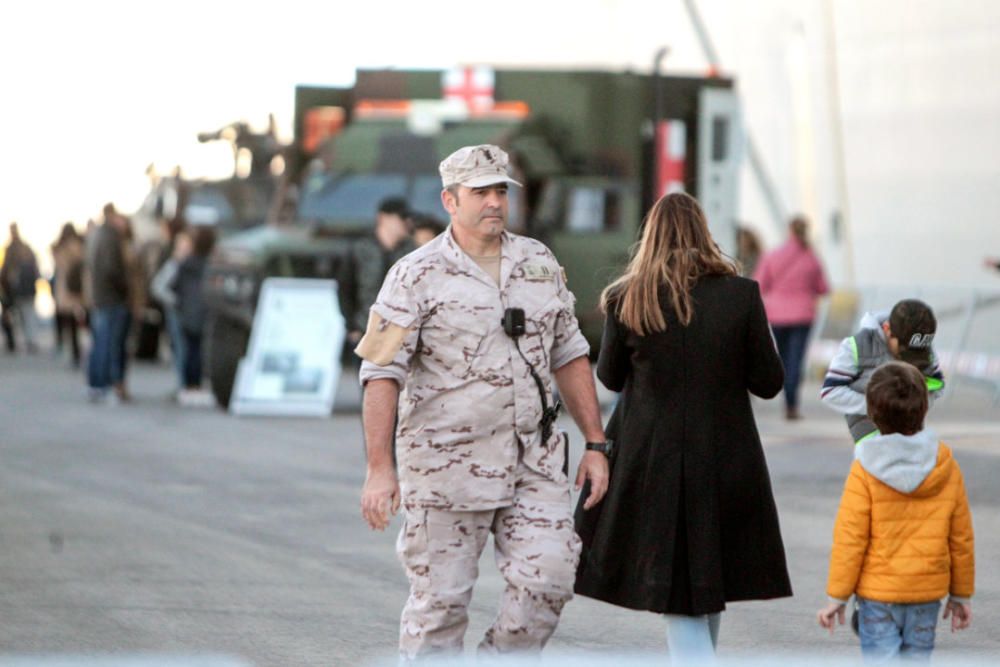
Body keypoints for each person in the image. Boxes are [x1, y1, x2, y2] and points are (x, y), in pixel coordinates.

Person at [355, 144, 610, 661]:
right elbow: (381, 372)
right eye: (480, 192)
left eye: (500, 191)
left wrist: (596, 442)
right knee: (440, 608)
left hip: (531, 463)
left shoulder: (537, 262)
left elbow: (569, 352)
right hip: (446, 468)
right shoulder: (414, 274)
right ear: (450, 201)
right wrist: (380, 469)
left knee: (550, 578)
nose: (494, 201)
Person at [574, 192, 792, 662]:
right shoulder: (741, 295)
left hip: (653, 459)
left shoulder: (627, 296)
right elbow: (769, 382)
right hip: (727, 454)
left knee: (681, 586)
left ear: (650, 234)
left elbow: (609, 376)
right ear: (704, 232)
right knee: (705, 580)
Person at [817, 361, 974, 662]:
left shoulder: (865, 467)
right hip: (927, 594)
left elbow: (850, 539)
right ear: (924, 409)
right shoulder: (945, 465)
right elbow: (961, 538)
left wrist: (837, 597)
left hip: (878, 596)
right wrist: (960, 594)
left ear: (871, 413)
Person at [821, 299, 945, 444]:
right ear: (887, 329)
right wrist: (881, 408)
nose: (908, 358)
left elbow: (937, 386)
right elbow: (830, 392)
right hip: (869, 431)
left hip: (910, 429)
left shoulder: (921, 344)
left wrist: (915, 406)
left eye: (917, 352)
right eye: (904, 349)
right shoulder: (856, 346)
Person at [753, 215, 830, 420]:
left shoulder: (772, 255)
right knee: (796, 358)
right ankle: (791, 404)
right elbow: (823, 288)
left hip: (776, 315)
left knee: (783, 357)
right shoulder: (811, 258)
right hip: (803, 315)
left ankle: (786, 395)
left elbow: (760, 283)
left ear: (789, 231)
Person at [348, 197, 415, 343]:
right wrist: (352, 326)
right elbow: (346, 288)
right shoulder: (361, 249)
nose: (407, 222)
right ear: (383, 218)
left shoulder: (412, 252)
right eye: (402, 217)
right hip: (366, 329)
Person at [86, 204, 131, 403]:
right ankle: (104, 384)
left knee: (101, 342)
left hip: (101, 296)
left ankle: (96, 383)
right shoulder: (110, 237)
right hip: (111, 297)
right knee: (109, 344)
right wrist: (124, 289)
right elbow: (111, 269)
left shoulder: (97, 235)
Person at [170, 226, 215, 394]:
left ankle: (188, 384)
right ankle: (194, 383)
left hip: (187, 311)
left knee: (188, 350)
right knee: (197, 349)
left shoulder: (185, 263)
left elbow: (173, 286)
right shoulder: (209, 265)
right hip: (203, 311)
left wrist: (178, 302)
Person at [150, 229, 193, 393]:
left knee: (185, 348)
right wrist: (176, 300)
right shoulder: (174, 264)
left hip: (186, 312)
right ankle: (183, 383)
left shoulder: (189, 264)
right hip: (177, 312)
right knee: (180, 348)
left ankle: (186, 383)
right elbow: (158, 287)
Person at [0, 222, 41, 353]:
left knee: (24, 315)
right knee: (27, 315)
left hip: (19, 289)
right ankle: (29, 340)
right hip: (23, 289)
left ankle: (26, 341)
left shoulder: (13, 249)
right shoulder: (22, 248)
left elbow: (5, 270)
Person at [51, 222, 86, 367]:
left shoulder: (60, 248)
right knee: (79, 321)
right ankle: (77, 351)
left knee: (69, 323)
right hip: (77, 289)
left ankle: (73, 351)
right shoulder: (78, 246)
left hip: (66, 289)